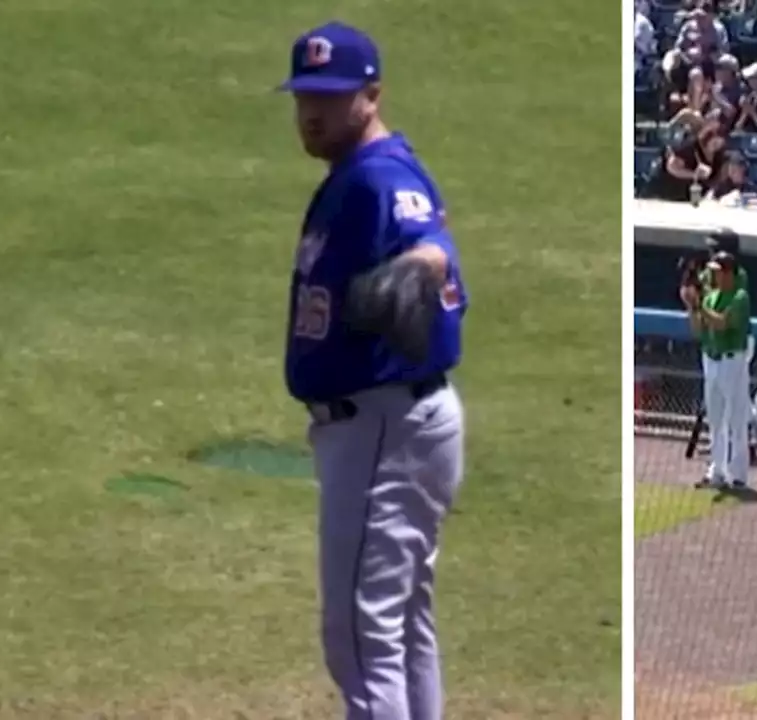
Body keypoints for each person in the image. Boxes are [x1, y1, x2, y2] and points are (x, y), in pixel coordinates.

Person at [279, 22, 468, 720]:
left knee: (360, 641)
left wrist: (423, 267)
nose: (311, 110)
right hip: (396, 421)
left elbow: (428, 242)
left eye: (330, 95)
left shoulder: (379, 177)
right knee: (401, 626)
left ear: (372, 93)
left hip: (381, 427)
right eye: (303, 94)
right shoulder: (361, 172)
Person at [685, 251, 752, 489]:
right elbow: (698, 330)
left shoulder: (739, 296)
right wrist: (691, 307)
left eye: (718, 271)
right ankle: (718, 470)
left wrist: (699, 306)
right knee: (715, 418)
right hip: (711, 359)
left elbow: (723, 323)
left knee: (736, 416)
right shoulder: (711, 297)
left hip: (732, 359)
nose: (713, 275)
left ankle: (738, 474)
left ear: (729, 273)